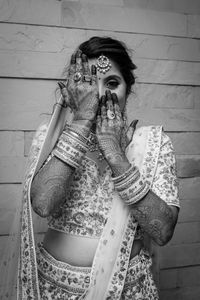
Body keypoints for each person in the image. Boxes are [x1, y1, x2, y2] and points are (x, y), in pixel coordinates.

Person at [2, 36, 179, 300]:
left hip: (125, 291)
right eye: (88, 84)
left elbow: (163, 231)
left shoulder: (152, 144)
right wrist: (82, 120)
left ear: (128, 90)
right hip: (54, 289)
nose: (100, 94)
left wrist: (116, 154)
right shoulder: (51, 137)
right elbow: (42, 204)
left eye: (112, 83)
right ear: (73, 90)